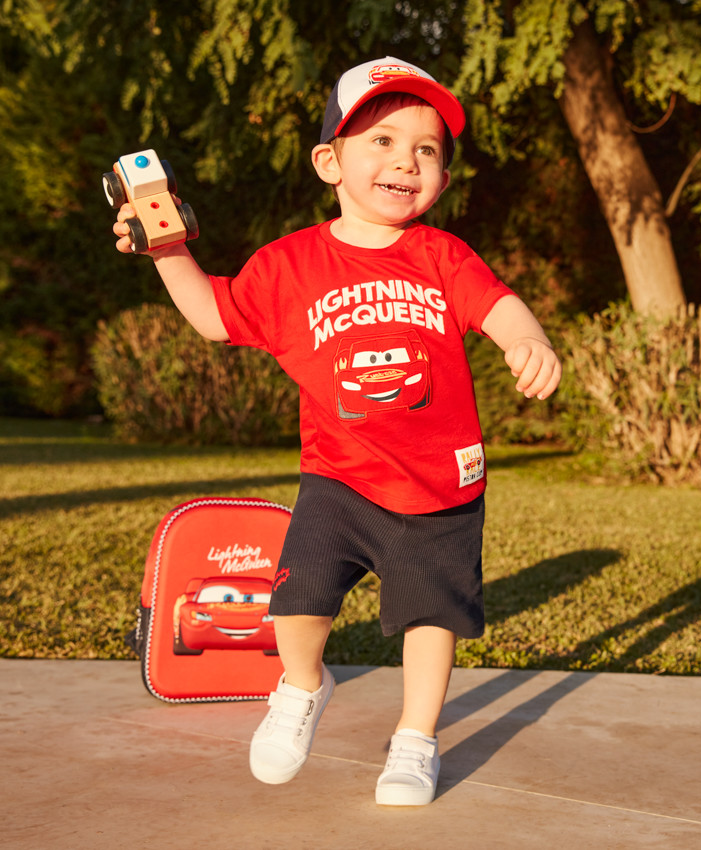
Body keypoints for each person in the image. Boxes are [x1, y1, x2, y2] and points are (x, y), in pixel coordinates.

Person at [112, 56, 562, 806]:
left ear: (443, 180)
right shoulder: (290, 264)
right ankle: (301, 687)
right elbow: (216, 317)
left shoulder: (443, 256)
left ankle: (416, 741)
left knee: (431, 620)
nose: (405, 161)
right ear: (330, 161)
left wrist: (531, 341)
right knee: (299, 602)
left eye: (426, 150)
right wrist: (167, 250)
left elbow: (500, 305)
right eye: (381, 141)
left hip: (440, 484)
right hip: (339, 475)